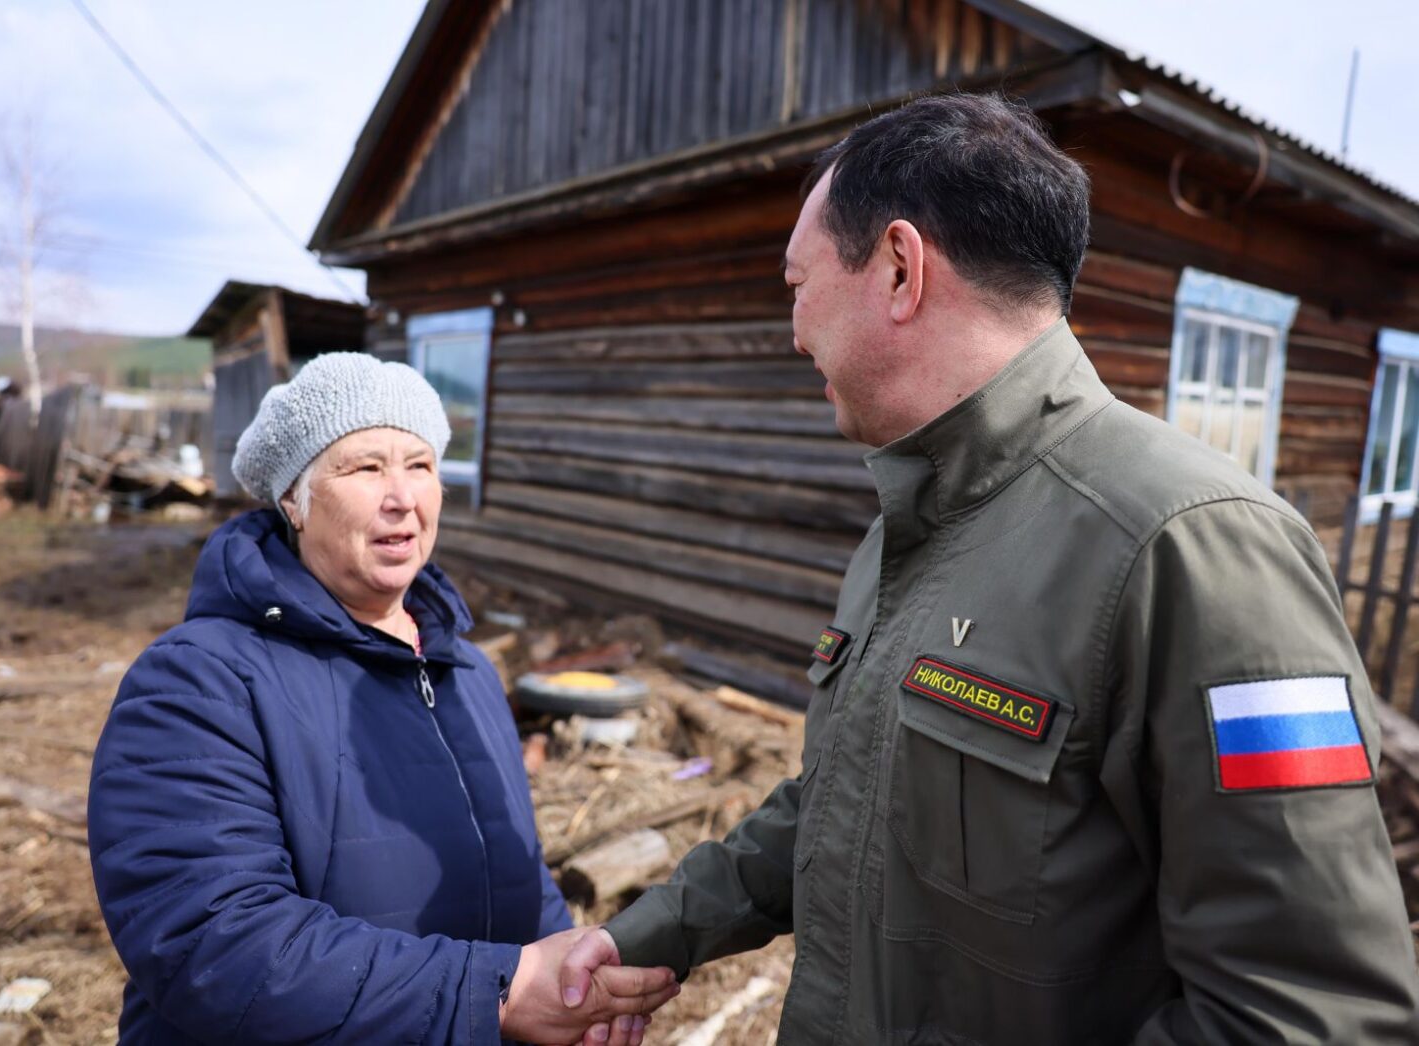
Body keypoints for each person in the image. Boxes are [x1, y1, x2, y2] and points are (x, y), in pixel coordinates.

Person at [558, 93, 1419, 1043]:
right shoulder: (911, 520)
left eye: (797, 285)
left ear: (897, 268)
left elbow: (1310, 1014)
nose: (794, 330)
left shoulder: (1200, 545)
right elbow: (846, 800)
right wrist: (654, 936)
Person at [87, 353, 677, 1045]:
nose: (402, 496)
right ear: (293, 502)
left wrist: (571, 987)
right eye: (365, 467)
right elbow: (214, 947)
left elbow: (518, 874)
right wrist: (497, 992)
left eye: (420, 465)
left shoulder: (469, 673)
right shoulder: (199, 681)